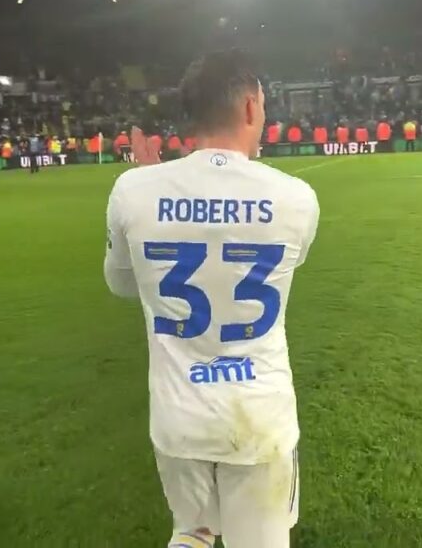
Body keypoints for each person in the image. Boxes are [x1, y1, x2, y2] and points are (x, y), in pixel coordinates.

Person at [104, 49, 319, 548]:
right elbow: (284, 267)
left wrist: (155, 194)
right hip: (259, 416)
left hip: (179, 418)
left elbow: (122, 284)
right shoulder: (296, 197)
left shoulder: (133, 190)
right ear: (249, 107)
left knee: (192, 535)